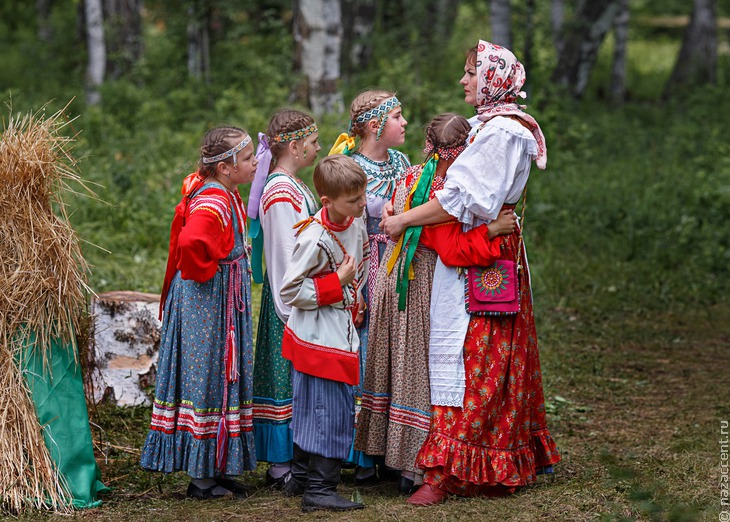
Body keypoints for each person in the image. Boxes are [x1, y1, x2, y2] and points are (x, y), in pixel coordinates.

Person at [380, 40, 561, 505]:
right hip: (474, 243)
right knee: (472, 355)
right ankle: (470, 460)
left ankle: (449, 471)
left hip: (480, 252)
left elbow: (460, 199)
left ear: (493, 78)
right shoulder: (489, 126)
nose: (464, 80)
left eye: (471, 73)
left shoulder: (503, 132)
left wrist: (402, 220)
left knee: (472, 355)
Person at [355, 113, 518, 494]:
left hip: (393, 278)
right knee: (421, 371)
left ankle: (382, 459)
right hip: (423, 282)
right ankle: (413, 466)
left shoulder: (411, 176)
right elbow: (450, 247)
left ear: (429, 145)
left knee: (396, 364)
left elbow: (398, 219)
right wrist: (491, 231)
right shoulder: (451, 193)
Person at [140, 126, 258, 499]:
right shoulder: (214, 201)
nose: (255, 164)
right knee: (205, 375)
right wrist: (211, 272)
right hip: (206, 303)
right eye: (249, 159)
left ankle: (213, 467)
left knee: (218, 376)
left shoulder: (225, 193)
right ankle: (201, 478)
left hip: (216, 301)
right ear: (225, 167)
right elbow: (192, 242)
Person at [279, 154, 370, 512]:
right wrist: (336, 284)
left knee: (317, 405)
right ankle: (318, 489)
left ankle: (301, 476)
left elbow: (357, 266)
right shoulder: (314, 238)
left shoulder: (354, 222)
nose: (363, 205)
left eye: (363, 196)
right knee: (327, 409)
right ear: (327, 201)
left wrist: (356, 295)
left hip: (339, 327)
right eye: (354, 200)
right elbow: (289, 291)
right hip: (319, 335)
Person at [331, 89, 411, 484]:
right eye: (397, 116)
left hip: (402, 267)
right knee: (366, 350)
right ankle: (361, 453)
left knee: (398, 349)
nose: (404, 122)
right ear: (376, 125)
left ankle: (393, 447)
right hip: (367, 266)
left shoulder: (403, 161)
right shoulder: (350, 165)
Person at [248, 109, 321, 488]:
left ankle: (297, 456)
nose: (318, 148)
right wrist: (291, 307)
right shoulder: (279, 192)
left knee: (295, 383)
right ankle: (280, 464)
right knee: (283, 383)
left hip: (300, 300)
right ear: (295, 146)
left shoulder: (293, 184)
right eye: (312, 143)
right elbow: (282, 255)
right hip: (288, 305)